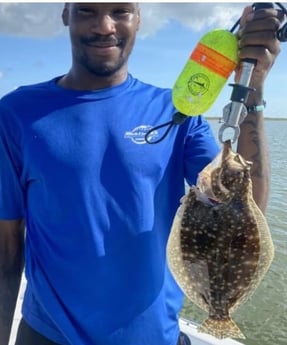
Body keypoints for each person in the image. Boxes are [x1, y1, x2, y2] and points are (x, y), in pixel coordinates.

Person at [0, 3, 284, 345]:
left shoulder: (178, 114)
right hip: (47, 335)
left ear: (138, 20)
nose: (104, 26)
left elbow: (246, 207)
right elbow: (7, 244)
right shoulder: (16, 113)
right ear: (65, 14)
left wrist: (252, 87)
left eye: (120, 11)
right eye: (87, 11)